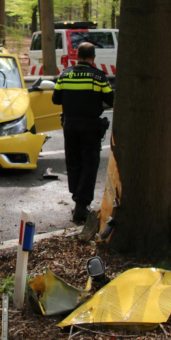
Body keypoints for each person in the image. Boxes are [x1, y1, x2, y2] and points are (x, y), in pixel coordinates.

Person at [51, 42, 114, 224]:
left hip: (70, 125)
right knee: (89, 163)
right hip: (90, 126)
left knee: (73, 162)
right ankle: (81, 205)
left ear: (77, 56)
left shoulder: (65, 75)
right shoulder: (98, 77)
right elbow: (110, 98)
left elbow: (56, 99)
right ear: (93, 58)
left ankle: (77, 197)